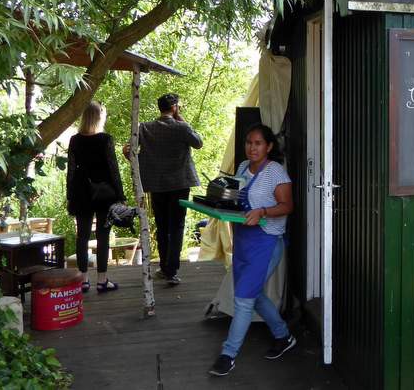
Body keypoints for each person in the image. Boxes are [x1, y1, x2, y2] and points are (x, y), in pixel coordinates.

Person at [209, 124, 296, 377]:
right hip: (244, 240)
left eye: (258, 143)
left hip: (267, 242)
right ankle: (283, 336)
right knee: (254, 295)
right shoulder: (242, 168)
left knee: (245, 299)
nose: (252, 147)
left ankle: (228, 354)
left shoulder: (276, 172)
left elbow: (287, 206)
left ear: (268, 146)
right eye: (249, 142)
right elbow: (238, 201)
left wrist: (263, 212)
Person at [128, 93, 203, 286]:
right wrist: (183, 120)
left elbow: (131, 150)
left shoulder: (145, 128)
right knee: (177, 226)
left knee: (162, 226)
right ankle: (172, 270)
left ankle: (164, 266)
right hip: (179, 183)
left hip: (156, 184)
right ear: (175, 107)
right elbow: (198, 143)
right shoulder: (182, 127)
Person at [66, 101, 125, 293]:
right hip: (104, 193)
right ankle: (102, 280)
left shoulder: (75, 140)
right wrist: (120, 194)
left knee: (82, 236)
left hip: (81, 192)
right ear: (100, 117)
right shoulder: (105, 139)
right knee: (103, 235)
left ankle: (83, 279)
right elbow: (113, 169)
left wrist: (70, 194)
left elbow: (71, 171)